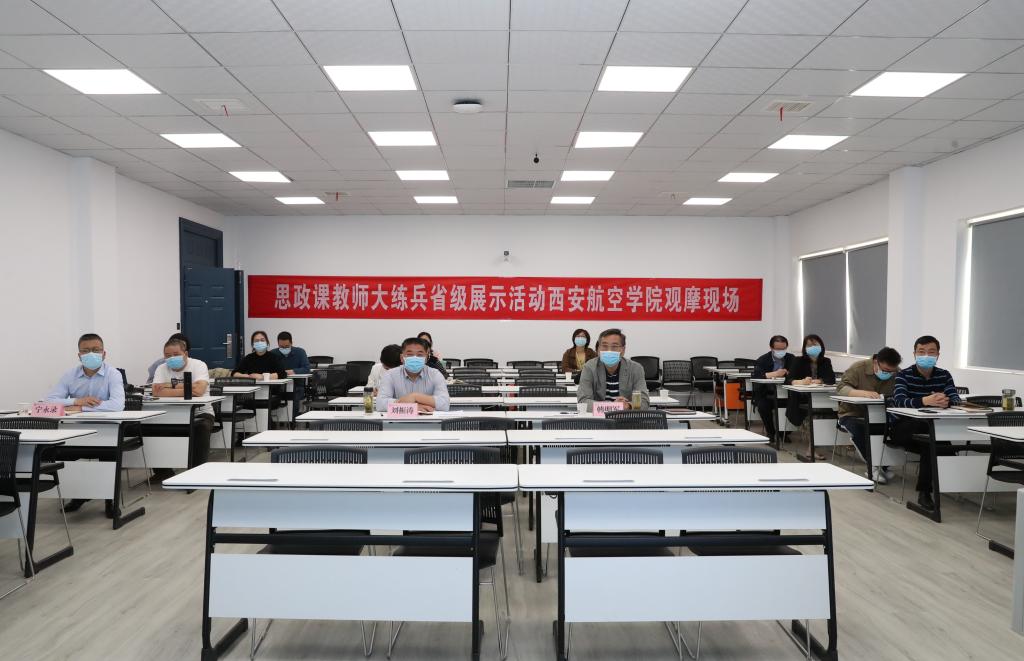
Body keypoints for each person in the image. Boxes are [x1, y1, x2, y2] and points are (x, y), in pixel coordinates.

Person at [890, 335, 962, 511]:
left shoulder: (944, 375)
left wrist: (946, 402)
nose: (926, 355)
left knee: (931, 442)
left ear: (938, 355)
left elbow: (956, 399)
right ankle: (927, 490)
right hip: (902, 427)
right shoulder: (903, 375)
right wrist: (925, 401)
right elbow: (899, 401)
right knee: (935, 440)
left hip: (930, 429)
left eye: (931, 352)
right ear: (914, 354)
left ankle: (928, 490)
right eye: (921, 352)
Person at [836, 347, 902, 483]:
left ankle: (883, 466)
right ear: (876, 362)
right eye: (885, 370)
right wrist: (862, 393)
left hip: (880, 415)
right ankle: (873, 466)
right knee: (861, 429)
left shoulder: (897, 372)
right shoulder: (858, 368)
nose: (889, 374)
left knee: (893, 430)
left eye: (892, 371)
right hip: (852, 413)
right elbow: (841, 388)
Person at [151, 338, 214, 467]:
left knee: (201, 428)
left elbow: (199, 391)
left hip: (200, 413)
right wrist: (189, 387)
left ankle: (197, 471)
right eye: (167, 355)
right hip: (170, 414)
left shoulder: (199, 365)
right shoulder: (161, 368)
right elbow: (156, 392)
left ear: (185, 354)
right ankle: (164, 471)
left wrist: (169, 386)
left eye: (176, 355)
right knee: (151, 428)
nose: (171, 358)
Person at [785, 334, 836, 460]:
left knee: (827, 412)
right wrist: (801, 382)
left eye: (815, 345)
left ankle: (815, 446)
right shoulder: (798, 361)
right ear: (805, 348)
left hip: (822, 398)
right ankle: (812, 448)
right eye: (809, 345)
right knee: (815, 414)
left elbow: (831, 379)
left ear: (821, 346)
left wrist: (819, 381)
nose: (813, 347)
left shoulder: (826, 361)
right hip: (801, 399)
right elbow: (788, 380)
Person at [46, 333, 125, 413]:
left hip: (107, 420)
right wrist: (77, 401)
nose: (91, 354)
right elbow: (49, 401)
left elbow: (117, 405)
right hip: (76, 420)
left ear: (104, 354)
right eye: (85, 351)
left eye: (96, 350)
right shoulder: (70, 375)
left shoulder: (113, 374)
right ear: (79, 356)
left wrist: (81, 408)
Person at [577, 328, 650, 411]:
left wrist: (628, 406)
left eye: (614, 346)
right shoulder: (589, 367)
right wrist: (613, 406)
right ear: (598, 349)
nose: (609, 350)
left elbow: (644, 402)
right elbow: (583, 401)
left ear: (623, 350)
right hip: (599, 418)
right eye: (604, 346)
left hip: (626, 416)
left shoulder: (636, 369)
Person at [375, 337, 450, 412]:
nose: (415, 358)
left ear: (426, 357)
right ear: (402, 358)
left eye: (420, 355)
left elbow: (445, 404)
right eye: (410, 354)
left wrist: (415, 396)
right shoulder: (390, 375)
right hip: (399, 419)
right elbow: (380, 404)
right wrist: (412, 407)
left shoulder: (435, 374)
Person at [750, 335, 795, 440]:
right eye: (778, 349)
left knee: (796, 405)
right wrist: (775, 374)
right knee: (763, 406)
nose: (781, 351)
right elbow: (756, 376)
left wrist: (789, 374)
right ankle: (771, 432)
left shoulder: (791, 358)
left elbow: (798, 374)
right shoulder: (763, 359)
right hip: (767, 393)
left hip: (787, 393)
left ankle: (783, 432)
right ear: (771, 348)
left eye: (783, 349)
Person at [272, 331, 311, 417]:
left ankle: (293, 420)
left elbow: (307, 369)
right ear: (278, 344)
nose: (284, 349)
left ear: (291, 343)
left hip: (297, 385)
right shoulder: (273, 353)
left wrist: (292, 371)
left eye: (286, 346)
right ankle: (272, 421)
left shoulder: (300, 352)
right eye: (281, 347)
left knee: (294, 396)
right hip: (277, 386)